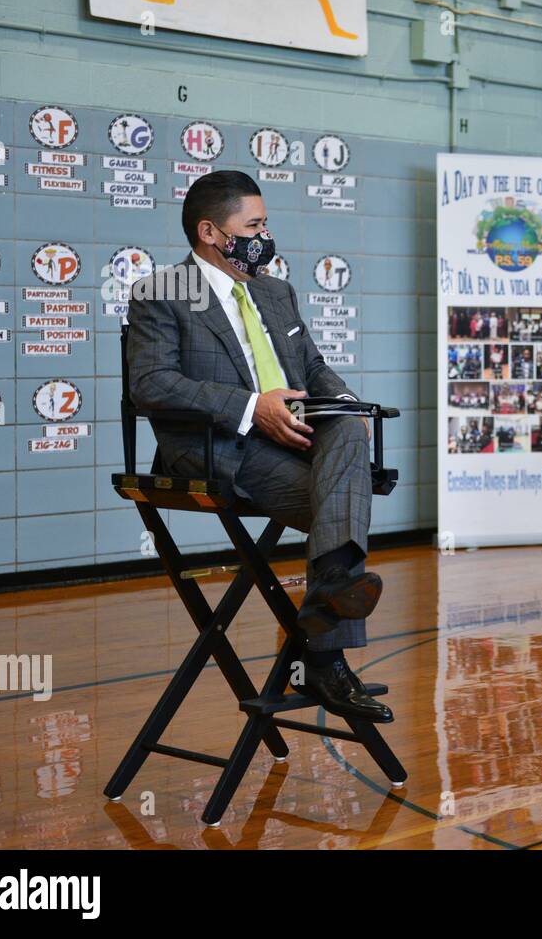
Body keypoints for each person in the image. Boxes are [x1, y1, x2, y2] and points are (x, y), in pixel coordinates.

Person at [127, 170, 392, 722]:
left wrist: (348, 405)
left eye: (265, 223)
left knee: (345, 429)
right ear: (210, 232)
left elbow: (315, 369)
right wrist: (252, 408)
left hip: (296, 436)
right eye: (254, 225)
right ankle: (326, 656)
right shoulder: (162, 292)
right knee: (344, 503)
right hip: (220, 445)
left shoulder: (275, 291)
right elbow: (151, 385)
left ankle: (324, 621)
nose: (265, 235)